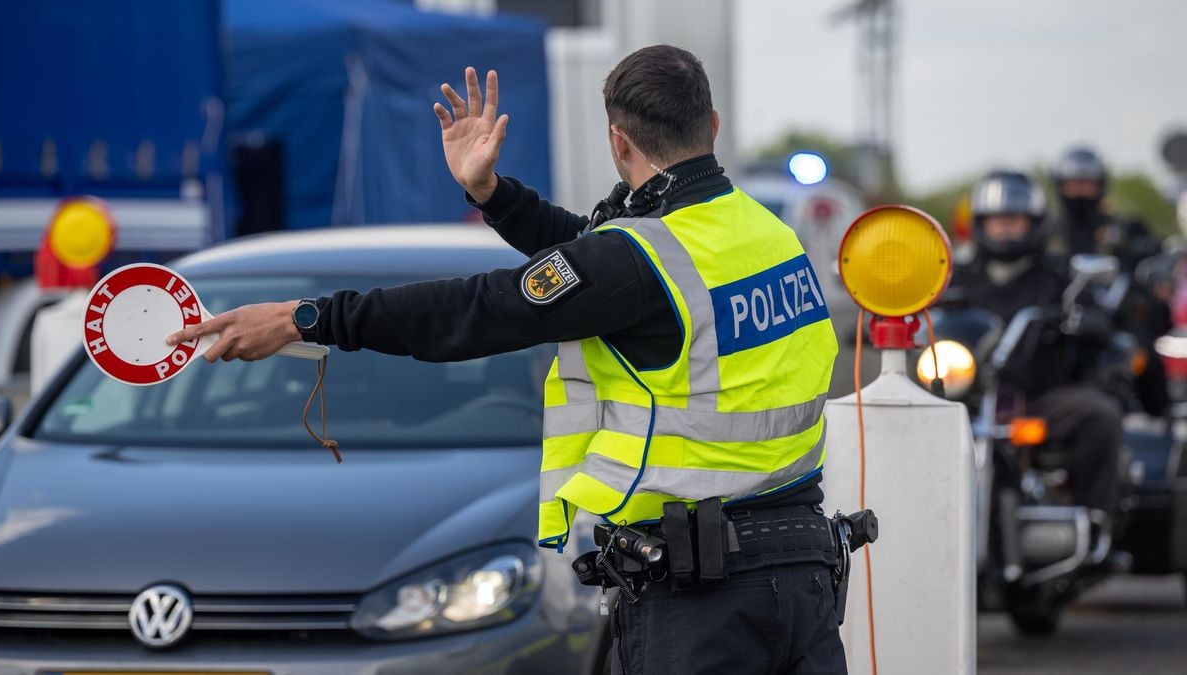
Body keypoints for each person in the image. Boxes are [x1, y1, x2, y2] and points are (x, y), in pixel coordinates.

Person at [168, 45, 847, 674]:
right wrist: (493, 194)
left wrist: (304, 317)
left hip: (704, 602)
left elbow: (481, 307)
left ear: (619, 141)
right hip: (803, 575)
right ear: (714, 125)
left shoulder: (644, 258)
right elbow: (591, 256)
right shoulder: (766, 234)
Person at [949, 170, 1122, 526]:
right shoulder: (954, 274)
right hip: (964, 398)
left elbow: (1097, 313)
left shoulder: (1059, 275)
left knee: (1099, 415)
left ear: (1035, 224)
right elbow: (920, 309)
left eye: (1013, 220)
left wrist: (1088, 320)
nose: (1004, 229)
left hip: (1038, 397)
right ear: (980, 224)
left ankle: (1095, 519)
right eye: (996, 220)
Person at [1050, 146, 1171, 414]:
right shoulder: (1049, 232)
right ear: (1061, 186)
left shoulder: (1123, 229)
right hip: (1062, 320)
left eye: (1086, 183)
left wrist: (1147, 254)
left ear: (1099, 185)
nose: (1080, 190)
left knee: (1145, 355)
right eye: (1074, 184)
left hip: (1117, 320)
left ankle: (1162, 423)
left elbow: (1152, 260)